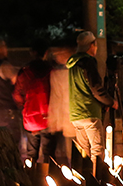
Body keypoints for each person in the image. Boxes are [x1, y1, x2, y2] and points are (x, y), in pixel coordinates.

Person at [67, 30, 117, 172]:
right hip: (89, 112)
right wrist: (110, 102)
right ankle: (98, 183)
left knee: (84, 152)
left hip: (76, 113)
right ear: (92, 45)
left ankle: (85, 184)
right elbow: (95, 87)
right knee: (97, 150)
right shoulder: (88, 62)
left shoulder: (72, 64)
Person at [12, 42, 52, 164]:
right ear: (46, 53)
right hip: (48, 117)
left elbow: (17, 94)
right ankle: (48, 179)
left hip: (31, 119)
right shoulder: (51, 70)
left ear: (32, 53)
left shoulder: (24, 72)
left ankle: (31, 177)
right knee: (48, 154)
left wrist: (23, 106)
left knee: (31, 154)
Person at [45, 45, 75, 166]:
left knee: (72, 151)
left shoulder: (58, 74)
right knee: (72, 151)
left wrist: (53, 121)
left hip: (69, 117)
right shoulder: (60, 73)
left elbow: (56, 98)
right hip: (72, 117)